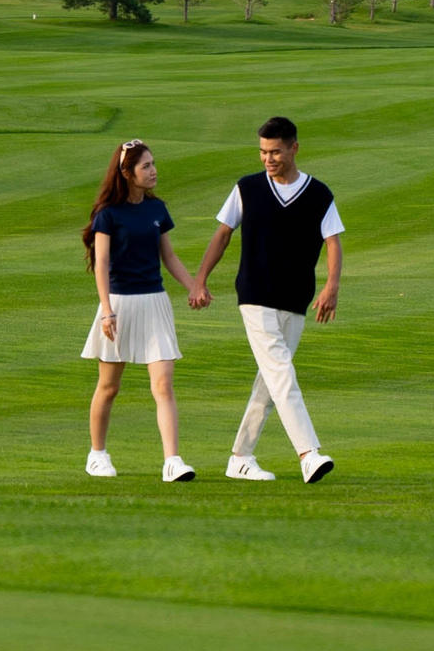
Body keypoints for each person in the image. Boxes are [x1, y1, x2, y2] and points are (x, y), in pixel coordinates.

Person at [191, 115, 342, 483]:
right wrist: (200, 280)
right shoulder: (247, 188)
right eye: (262, 152)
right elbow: (223, 234)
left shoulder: (320, 193)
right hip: (255, 295)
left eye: (275, 151)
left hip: (296, 299)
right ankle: (309, 453)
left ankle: (240, 457)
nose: (268, 159)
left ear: (294, 148)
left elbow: (333, 242)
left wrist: (331, 286)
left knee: (271, 382)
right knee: (280, 372)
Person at [80, 139, 202, 481]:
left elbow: (170, 257)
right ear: (126, 173)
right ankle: (97, 454)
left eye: (153, 164)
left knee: (163, 385)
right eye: (145, 166)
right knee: (109, 386)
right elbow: (101, 264)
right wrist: (106, 311)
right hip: (118, 305)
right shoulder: (108, 215)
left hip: (154, 303)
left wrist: (194, 287)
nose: (153, 171)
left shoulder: (157, 210)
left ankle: (172, 461)